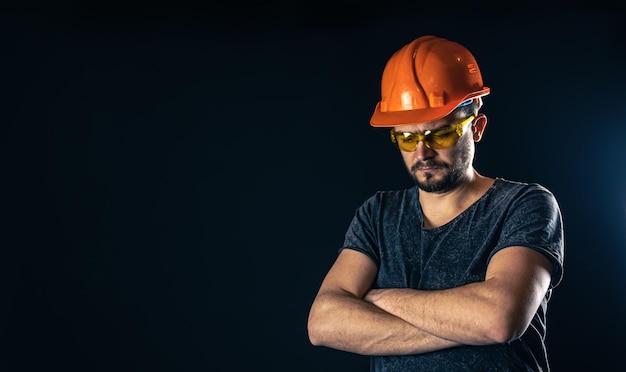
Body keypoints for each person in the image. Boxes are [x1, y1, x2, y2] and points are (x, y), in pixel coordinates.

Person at [307, 35, 565, 371]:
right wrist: (467, 323)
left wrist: (377, 299)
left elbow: (500, 319)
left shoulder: (525, 205)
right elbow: (324, 322)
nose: (422, 153)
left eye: (440, 134)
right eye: (407, 137)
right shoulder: (377, 215)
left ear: (477, 128)